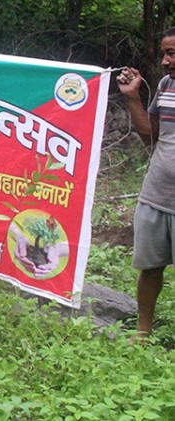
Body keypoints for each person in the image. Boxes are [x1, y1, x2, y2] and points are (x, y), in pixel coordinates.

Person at [116, 27, 175, 337]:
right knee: (150, 267)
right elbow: (150, 136)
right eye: (164, 53)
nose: (165, 61)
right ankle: (143, 331)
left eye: (172, 53)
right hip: (156, 194)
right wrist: (133, 97)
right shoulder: (166, 86)